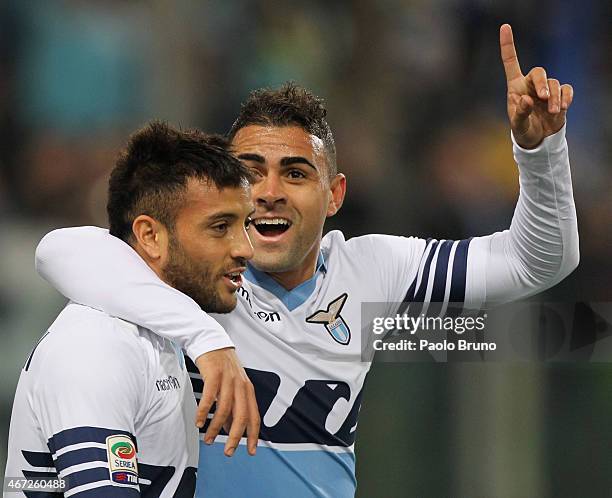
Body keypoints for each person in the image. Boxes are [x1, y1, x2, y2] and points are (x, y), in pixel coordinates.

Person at [33, 25, 578, 497]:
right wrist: (207, 339)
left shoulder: (371, 269)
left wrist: (540, 152)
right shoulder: (189, 272)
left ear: (334, 195)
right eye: (248, 171)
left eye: (295, 173)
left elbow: (537, 262)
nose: (268, 192)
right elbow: (59, 250)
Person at [4, 122, 259, 497]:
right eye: (220, 227)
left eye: (246, 224)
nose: (245, 249)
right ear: (151, 236)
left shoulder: (163, 332)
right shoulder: (96, 346)